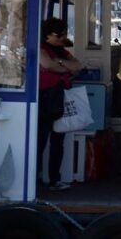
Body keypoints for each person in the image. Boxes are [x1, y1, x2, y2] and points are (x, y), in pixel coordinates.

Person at [37, 17, 83, 191]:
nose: (62, 37)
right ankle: (36, 179)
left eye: (64, 34)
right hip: (43, 98)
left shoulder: (61, 51)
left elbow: (78, 65)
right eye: (59, 34)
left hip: (60, 97)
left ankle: (54, 179)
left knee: (58, 140)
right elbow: (47, 64)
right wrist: (63, 67)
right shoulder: (40, 47)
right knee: (40, 140)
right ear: (47, 34)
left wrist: (60, 64)